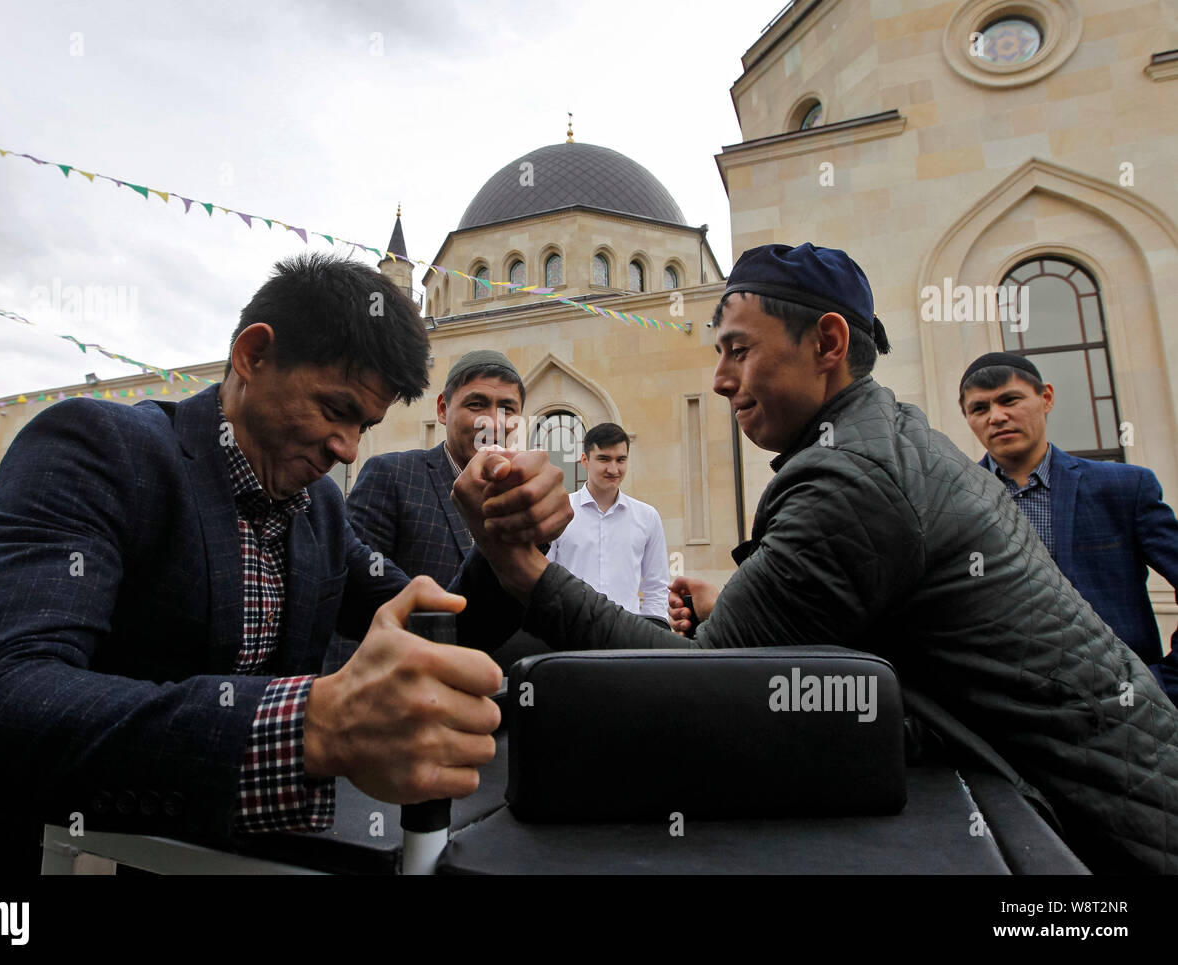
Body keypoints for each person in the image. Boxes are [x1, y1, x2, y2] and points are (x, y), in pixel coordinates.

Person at [452, 242, 1178, 874]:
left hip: (1108, 843)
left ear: (827, 343)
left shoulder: (852, 475)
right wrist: (740, 602)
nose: (720, 379)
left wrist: (522, 569)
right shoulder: (878, 437)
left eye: (739, 349)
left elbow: (699, 690)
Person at [0, 252, 570, 872]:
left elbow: (440, 627)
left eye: (363, 424)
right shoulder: (98, 451)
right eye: (335, 409)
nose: (348, 447)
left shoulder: (318, 514)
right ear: (252, 354)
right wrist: (306, 723)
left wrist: (503, 552)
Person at [959, 352, 1178, 703]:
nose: (997, 417)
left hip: (1123, 708)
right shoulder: (955, 500)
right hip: (1007, 713)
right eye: (980, 408)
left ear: (1046, 398)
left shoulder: (1123, 488)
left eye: (1009, 400)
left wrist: (1167, 682)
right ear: (968, 418)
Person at [330, 350, 534, 671]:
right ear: (443, 409)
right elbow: (351, 602)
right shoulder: (393, 476)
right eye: (476, 404)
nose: (493, 421)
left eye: (507, 408)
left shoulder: (521, 503)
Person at [546, 423, 671, 626]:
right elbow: (544, 579)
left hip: (628, 636)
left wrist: (653, 635)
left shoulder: (647, 517)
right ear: (585, 461)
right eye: (604, 459)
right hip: (569, 632)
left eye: (620, 460)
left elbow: (656, 587)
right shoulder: (558, 511)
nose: (613, 469)